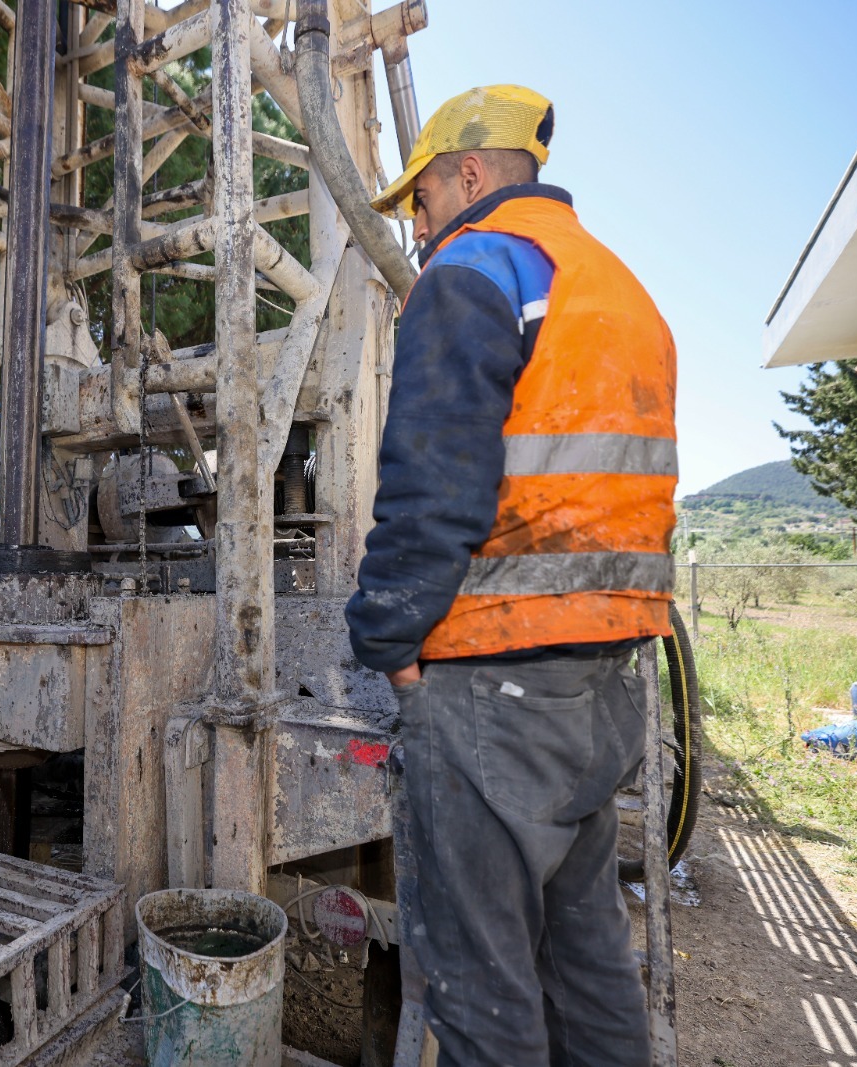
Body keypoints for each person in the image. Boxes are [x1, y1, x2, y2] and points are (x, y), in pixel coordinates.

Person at [347, 85, 677, 1066]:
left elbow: (433, 479)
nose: (415, 224)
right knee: (584, 965)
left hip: (493, 679)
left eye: (420, 197)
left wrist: (388, 637)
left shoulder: (472, 269)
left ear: (472, 173)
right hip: (607, 683)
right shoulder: (616, 287)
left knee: (483, 988)